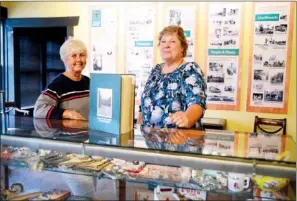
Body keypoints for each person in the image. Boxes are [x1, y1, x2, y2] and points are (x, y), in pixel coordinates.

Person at [140, 25, 207, 129]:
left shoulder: (189, 70)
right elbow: (145, 106)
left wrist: (187, 118)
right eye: (163, 41)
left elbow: (197, 104)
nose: (166, 45)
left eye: (172, 41)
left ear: (182, 48)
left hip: (180, 140)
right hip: (152, 141)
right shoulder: (155, 71)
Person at [33, 38, 89, 120]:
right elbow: (39, 110)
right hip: (68, 132)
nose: (79, 59)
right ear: (65, 60)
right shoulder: (58, 84)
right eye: (74, 56)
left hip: (89, 131)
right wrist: (68, 113)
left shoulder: (90, 82)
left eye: (82, 55)